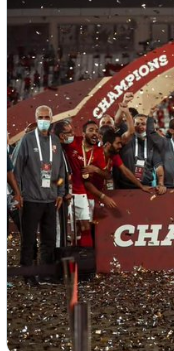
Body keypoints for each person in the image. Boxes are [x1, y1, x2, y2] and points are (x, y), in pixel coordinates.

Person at [13, 106, 66, 285]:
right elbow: (16, 169)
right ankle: (28, 275)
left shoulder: (55, 141)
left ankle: (45, 274)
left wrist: (60, 192)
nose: (44, 120)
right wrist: (17, 194)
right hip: (30, 199)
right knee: (29, 240)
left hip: (51, 200)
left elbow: (60, 172)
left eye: (46, 117)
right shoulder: (27, 140)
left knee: (49, 239)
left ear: (51, 118)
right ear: (36, 119)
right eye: (40, 117)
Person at [64, 120, 118, 248]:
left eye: (97, 131)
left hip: (82, 192)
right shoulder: (73, 142)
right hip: (66, 191)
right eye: (91, 130)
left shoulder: (98, 151)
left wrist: (95, 169)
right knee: (71, 228)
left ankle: (86, 255)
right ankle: (70, 254)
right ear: (83, 134)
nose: (95, 133)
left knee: (85, 226)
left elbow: (107, 175)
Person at [114, 114, 158, 190]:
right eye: (137, 124)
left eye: (143, 124)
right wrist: (125, 111)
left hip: (146, 186)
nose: (140, 126)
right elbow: (117, 122)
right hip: (125, 187)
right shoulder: (126, 139)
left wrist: (160, 183)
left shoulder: (154, 142)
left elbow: (159, 165)